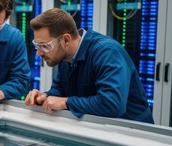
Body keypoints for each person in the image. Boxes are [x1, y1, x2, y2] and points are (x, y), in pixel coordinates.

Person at [25, 8, 154, 124]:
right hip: (100, 129)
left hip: (134, 133)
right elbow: (60, 90)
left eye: (45, 46)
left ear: (66, 40)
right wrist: (45, 97)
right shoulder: (65, 56)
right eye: (37, 46)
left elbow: (112, 104)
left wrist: (65, 102)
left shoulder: (106, 52)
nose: (38, 53)